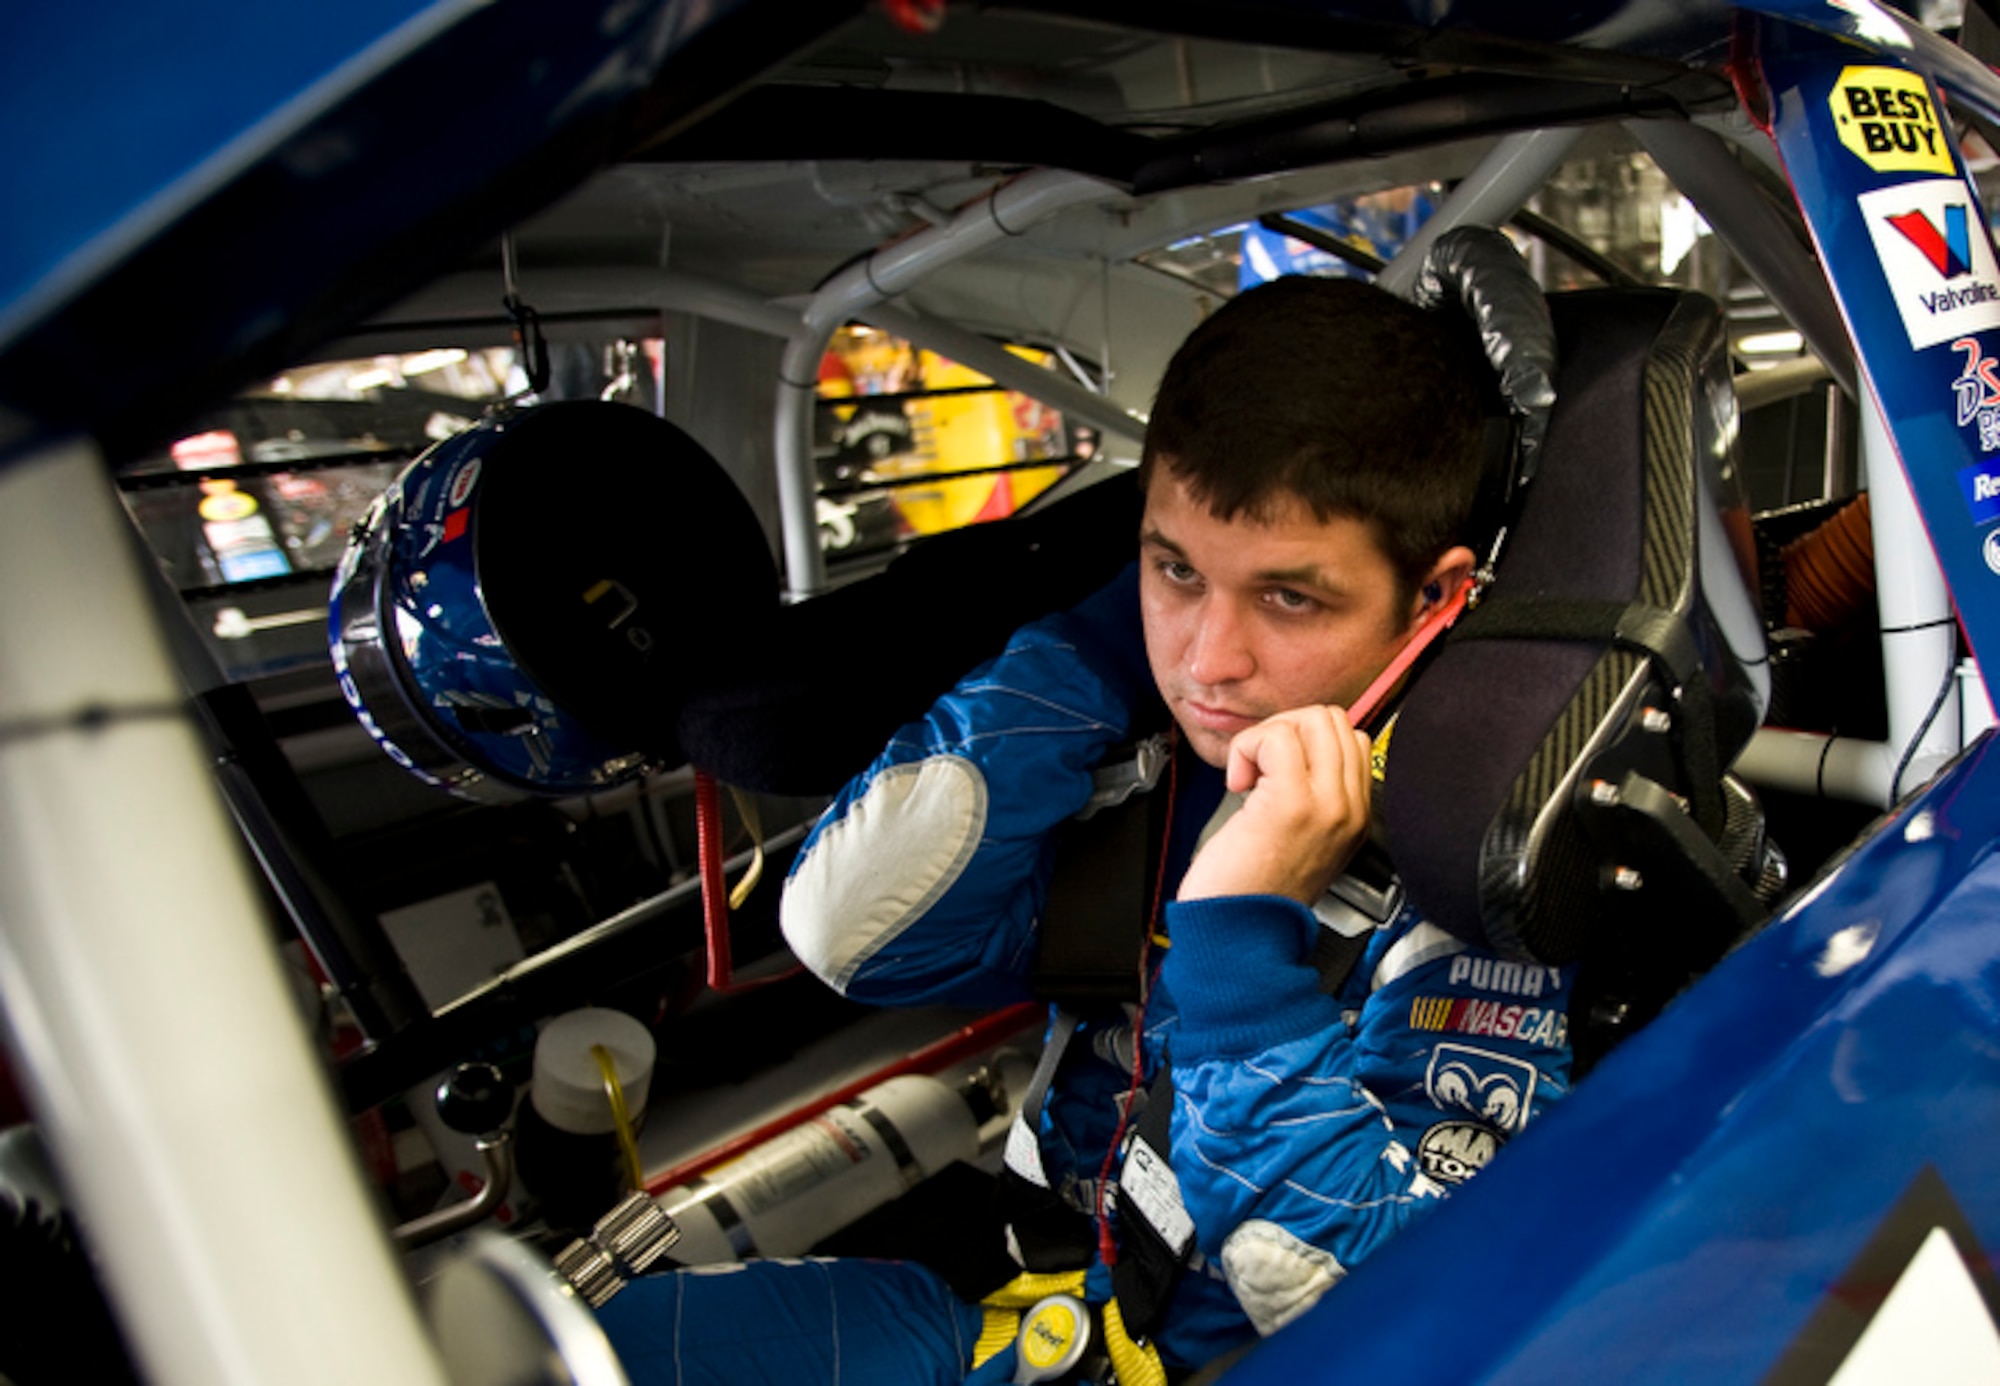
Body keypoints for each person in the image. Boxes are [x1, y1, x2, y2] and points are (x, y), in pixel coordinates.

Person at [593, 270, 1575, 1383]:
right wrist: (1102, 644)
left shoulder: (1486, 859)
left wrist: (1237, 946)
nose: (1209, 662)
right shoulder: (1136, 746)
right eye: (1173, 570)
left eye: (1288, 597)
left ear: (1438, 597)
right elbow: (854, 929)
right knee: (592, 1360)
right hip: (1020, 1315)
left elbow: (1379, 1310)